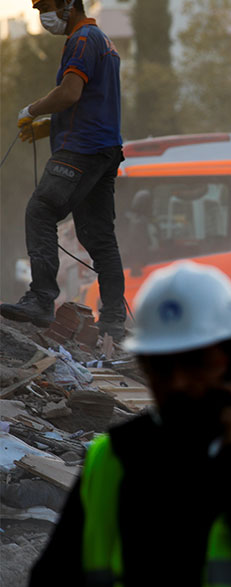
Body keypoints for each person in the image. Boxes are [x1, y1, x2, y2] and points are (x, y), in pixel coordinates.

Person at [27, 261, 231, 587]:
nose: (182, 382)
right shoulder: (112, 460)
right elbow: (52, 584)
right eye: (166, 367)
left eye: (199, 364)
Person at [1, 0, 126, 340]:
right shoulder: (104, 42)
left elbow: (70, 92)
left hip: (81, 150)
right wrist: (47, 127)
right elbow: (93, 101)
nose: (42, 15)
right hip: (104, 151)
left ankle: (41, 300)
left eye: (45, 7)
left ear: (69, 4)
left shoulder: (82, 39)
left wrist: (33, 110)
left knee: (40, 209)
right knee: (99, 237)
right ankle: (114, 320)